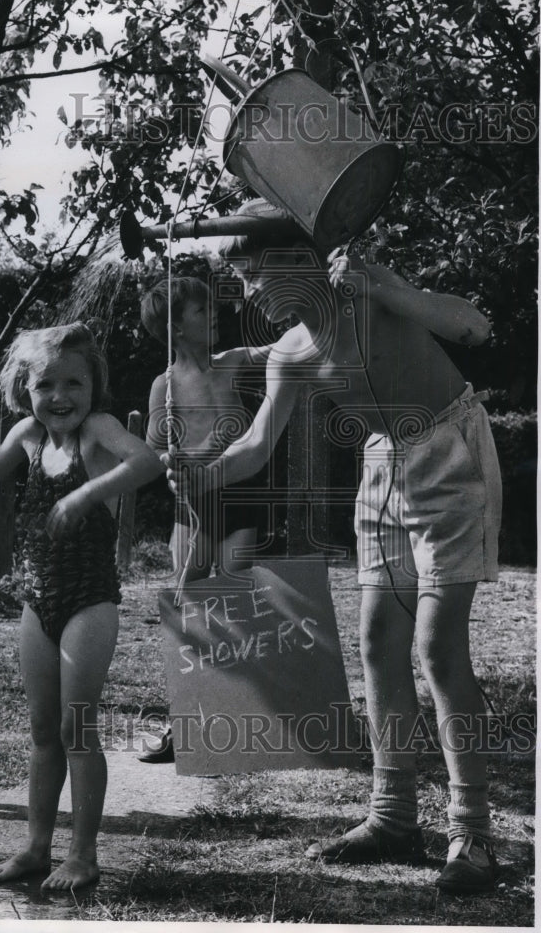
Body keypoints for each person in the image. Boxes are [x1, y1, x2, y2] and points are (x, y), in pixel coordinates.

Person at [168, 199, 502, 894]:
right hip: (382, 466)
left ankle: (470, 831)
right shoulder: (291, 351)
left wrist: (390, 287)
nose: (248, 290)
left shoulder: (369, 297)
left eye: (254, 273)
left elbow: (472, 325)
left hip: (450, 447)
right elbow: (256, 447)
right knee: (379, 642)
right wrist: (199, 469)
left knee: (437, 648)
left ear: (297, 263)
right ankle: (392, 814)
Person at [0, 323, 163, 892]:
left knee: (77, 727)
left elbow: (147, 462)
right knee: (43, 730)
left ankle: (83, 854)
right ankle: (37, 846)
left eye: (73, 383)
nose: (59, 397)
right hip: (38, 602)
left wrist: (87, 492)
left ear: (93, 386)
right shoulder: (28, 435)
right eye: (45, 385)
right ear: (25, 388)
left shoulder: (98, 429)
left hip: (90, 599)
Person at [138, 276, 274, 763]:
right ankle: (185, 720)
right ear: (174, 327)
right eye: (202, 310)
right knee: (187, 602)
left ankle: (237, 714)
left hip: (239, 494)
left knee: (234, 596)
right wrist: (175, 463)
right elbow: (156, 451)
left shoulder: (234, 361)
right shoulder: (165, 386)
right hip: (193, 506)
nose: (215, 313)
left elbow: (283, 353)